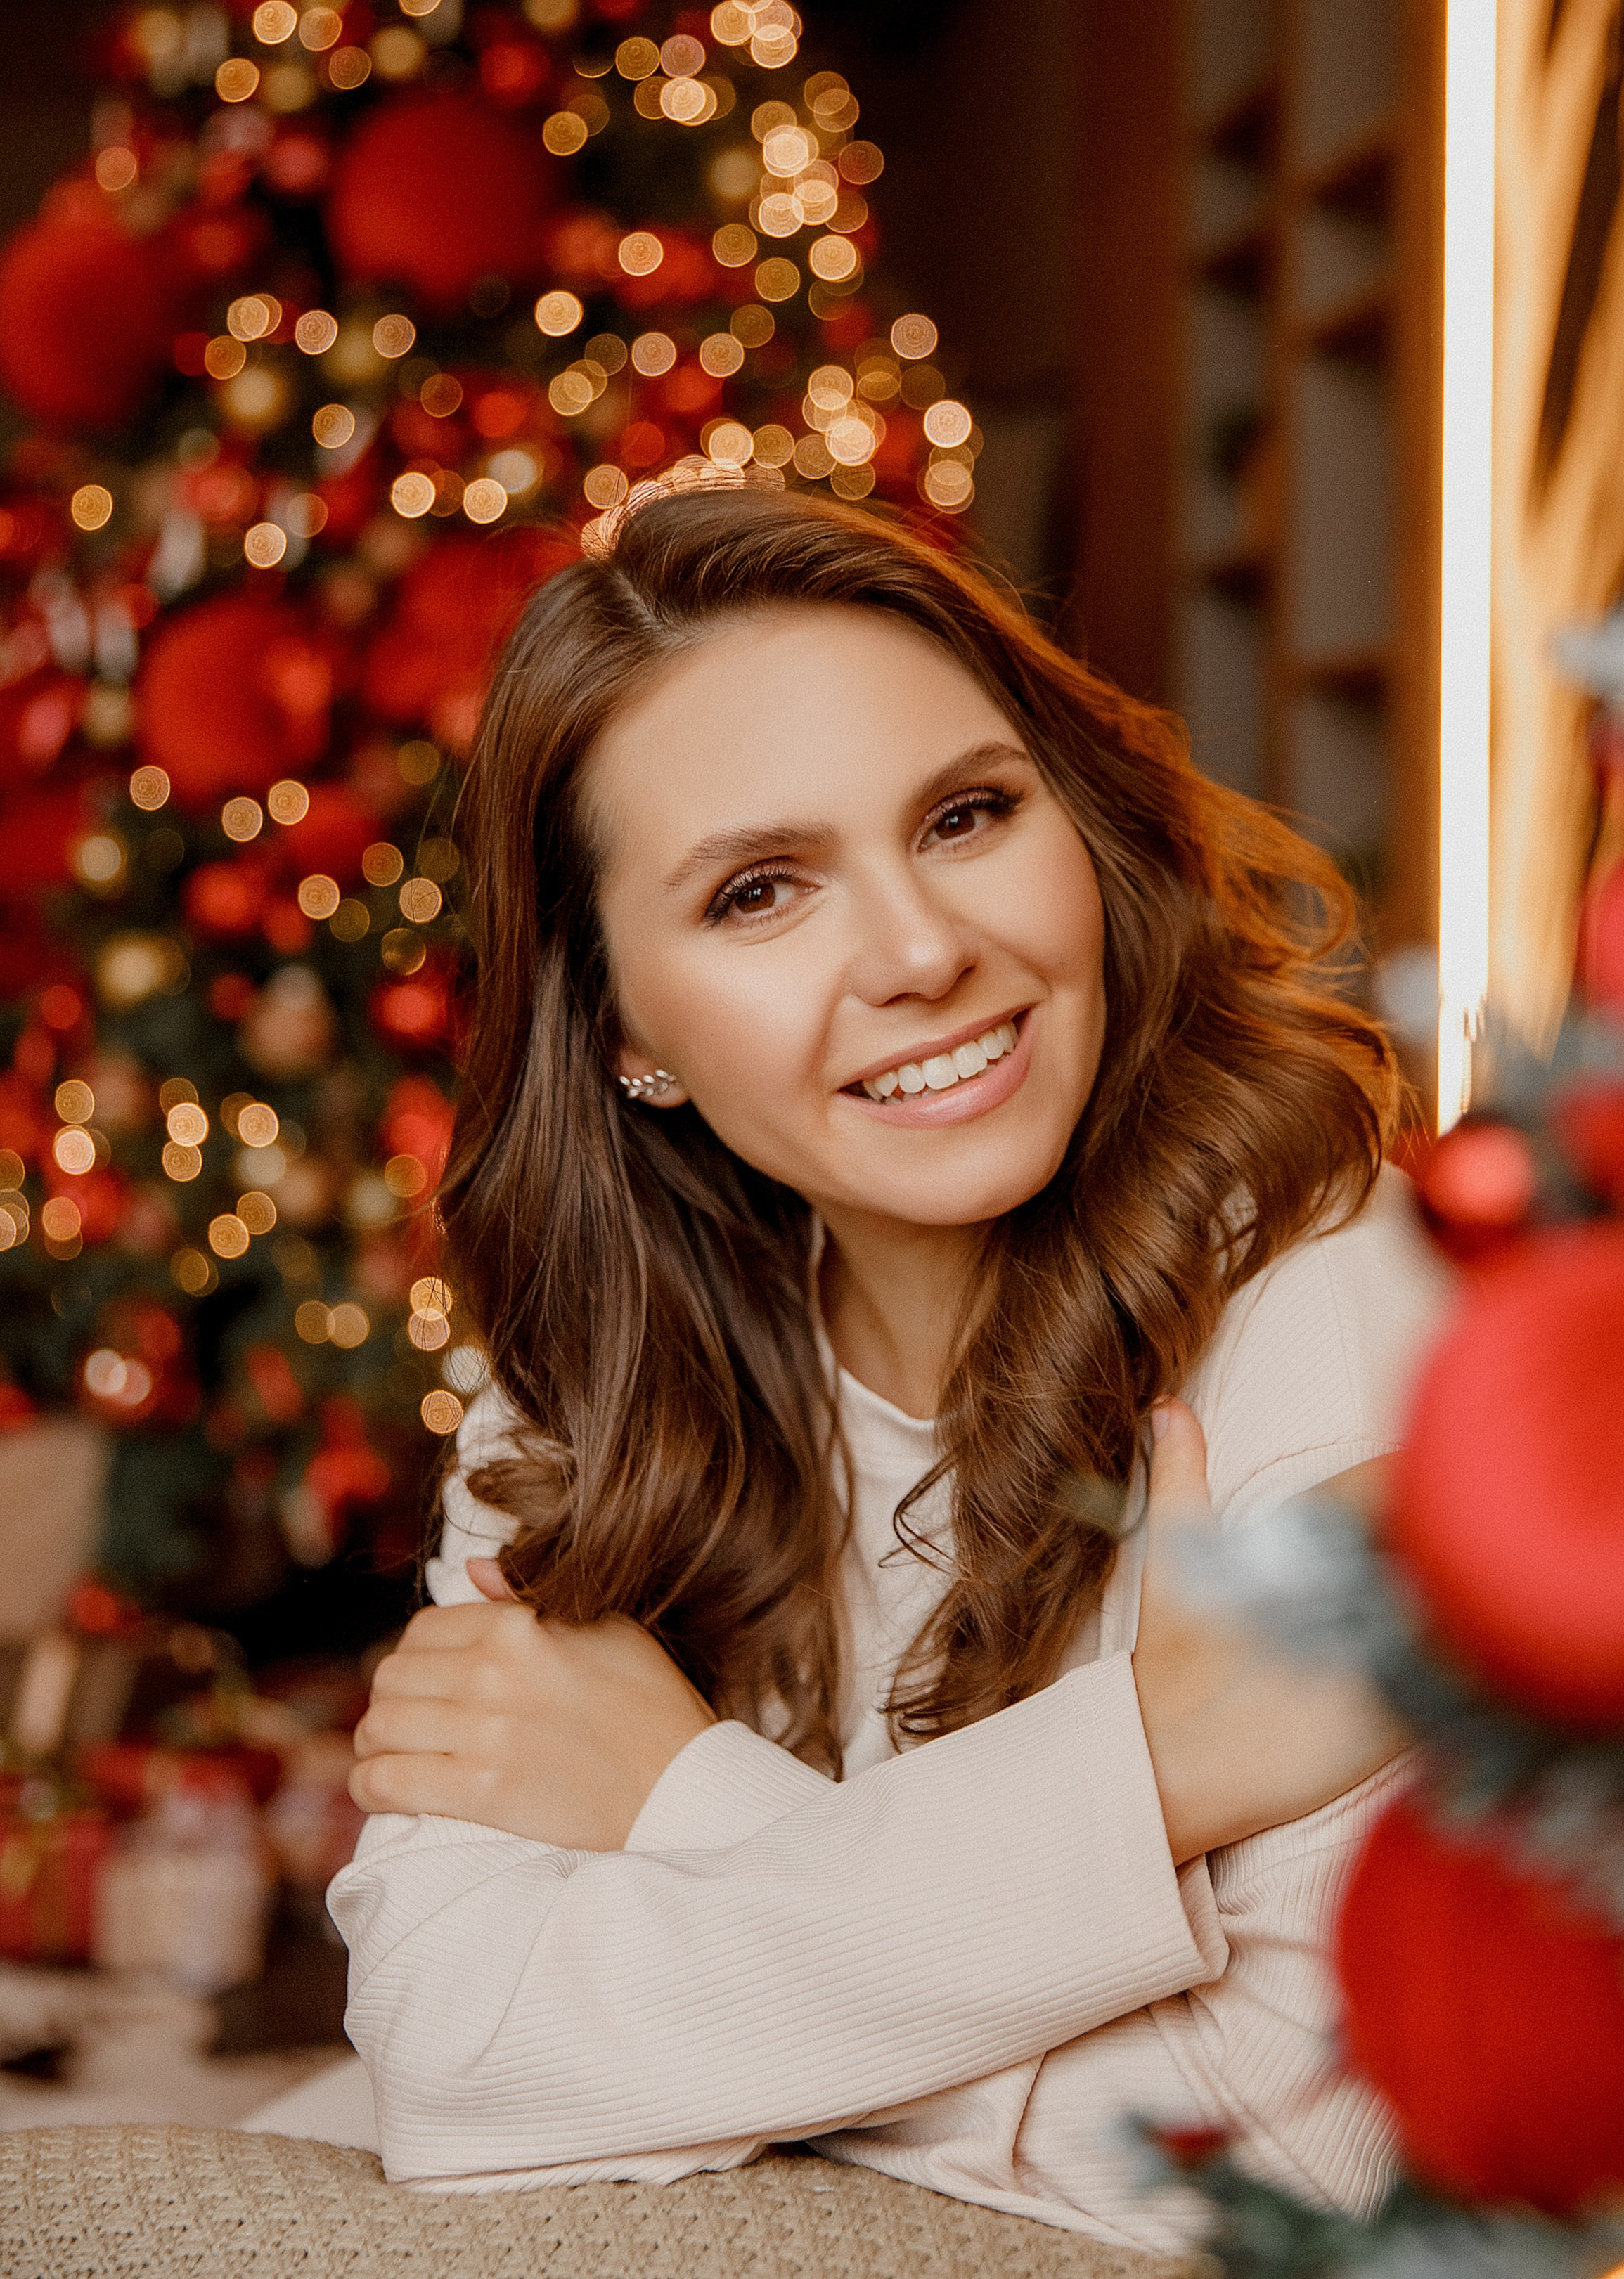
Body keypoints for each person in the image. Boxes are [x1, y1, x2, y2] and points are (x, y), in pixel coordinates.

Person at [250, 479, 1448, 2249]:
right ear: (623, 1027)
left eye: (966, 815)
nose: (922, 952)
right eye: (758, 893)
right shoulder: (595, 1371)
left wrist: (682, 1804)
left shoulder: (1333, 1298)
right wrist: (1149, 1774)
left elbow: (1294, 2166)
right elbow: (451, 2049)